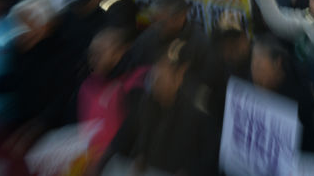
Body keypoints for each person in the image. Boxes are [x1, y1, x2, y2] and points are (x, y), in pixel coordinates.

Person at [99, 38, 220, 176]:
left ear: (181, 74)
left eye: (165, 68)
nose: (156, 74)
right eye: (158, 65)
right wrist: (103, 163)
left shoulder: (199, 114)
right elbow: (122, 140)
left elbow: (210, 159)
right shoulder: (145, 103)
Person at [78, 26, 149, 168]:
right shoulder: (88, 84)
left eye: (99, 53)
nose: (93, 59)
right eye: (91, 54)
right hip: (91, 160)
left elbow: (135, 131)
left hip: (122, 164)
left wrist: (104, 158)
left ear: (120, 52)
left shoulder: (137, 82)